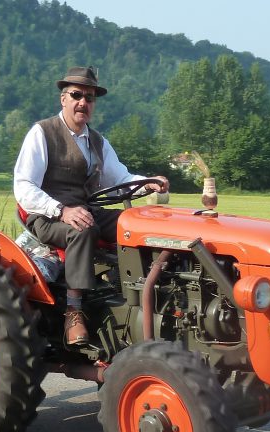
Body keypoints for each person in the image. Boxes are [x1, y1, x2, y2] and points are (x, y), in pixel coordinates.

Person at [13, 65, 168, 346]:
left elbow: (120, 177)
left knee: (131, 224)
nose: (83, 102)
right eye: (76, 95)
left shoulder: (96, 141)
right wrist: (62, 210)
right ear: (64, 99)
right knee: (83, 229)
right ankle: (74, 312)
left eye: (90, 97)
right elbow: (24, 186)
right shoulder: (42, 133)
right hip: (46, 216)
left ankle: (138, 293)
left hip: (85, 209)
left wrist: (149, 182)